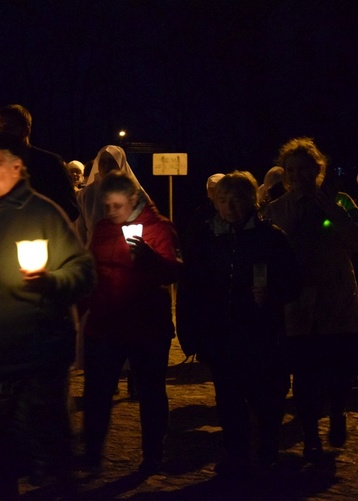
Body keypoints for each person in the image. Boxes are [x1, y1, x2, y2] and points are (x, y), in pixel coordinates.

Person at [0, 132, 96, 497]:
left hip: (29, 360)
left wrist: (51, 281)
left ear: (16, 167)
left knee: (46, 458)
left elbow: (84, 271)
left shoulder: (43, 213)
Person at [177, 171, 298, 475]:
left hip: (261, 335)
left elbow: (293, 282)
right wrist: (193, 334)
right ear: (215, 203)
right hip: (223, 336)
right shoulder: (207, 238)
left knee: (265, 398)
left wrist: (272, 294)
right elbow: (191, 287)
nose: (230, 206)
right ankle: (237, 456)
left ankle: (267, 452)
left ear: (251, 201)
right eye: (223, 200)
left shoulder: (271, 237)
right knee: (229, 400)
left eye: (237, 200)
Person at [80, 170, 182, 474]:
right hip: (105, 324)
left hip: (146, 327)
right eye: (107, 206)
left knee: (150, 391)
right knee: (96, 392)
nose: (111, 213)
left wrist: (150, 258)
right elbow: (91, 268)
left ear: (134, 199)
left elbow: (174, 272)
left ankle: (152, 454)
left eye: (117, 206)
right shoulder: (102, 228)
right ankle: (92, 452)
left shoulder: (160, 229)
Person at [264, 137, 358, 462]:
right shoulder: (277, 209)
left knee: (339, 366)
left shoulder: (340, 201)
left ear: (317, 170)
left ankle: (336, 410)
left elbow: (354, 239)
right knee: (304, 372)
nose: (299, 176)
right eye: (292, 170)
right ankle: (310, 436)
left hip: (337, 298)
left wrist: (329, 207)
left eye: (306, 169)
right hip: (298, 303)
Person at [0, 104, 80, 221]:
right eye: (0, 129)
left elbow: (71, 209)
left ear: (26, 130)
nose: (2, 135)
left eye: (8, 128)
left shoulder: (50, 164)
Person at [76, 145, 150, 246]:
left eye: (111, 162)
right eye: (103, 162)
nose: (107, 166)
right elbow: (80, 232)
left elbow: (150, 224)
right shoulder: (87, 194)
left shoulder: (135, 193)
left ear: (120, 164)